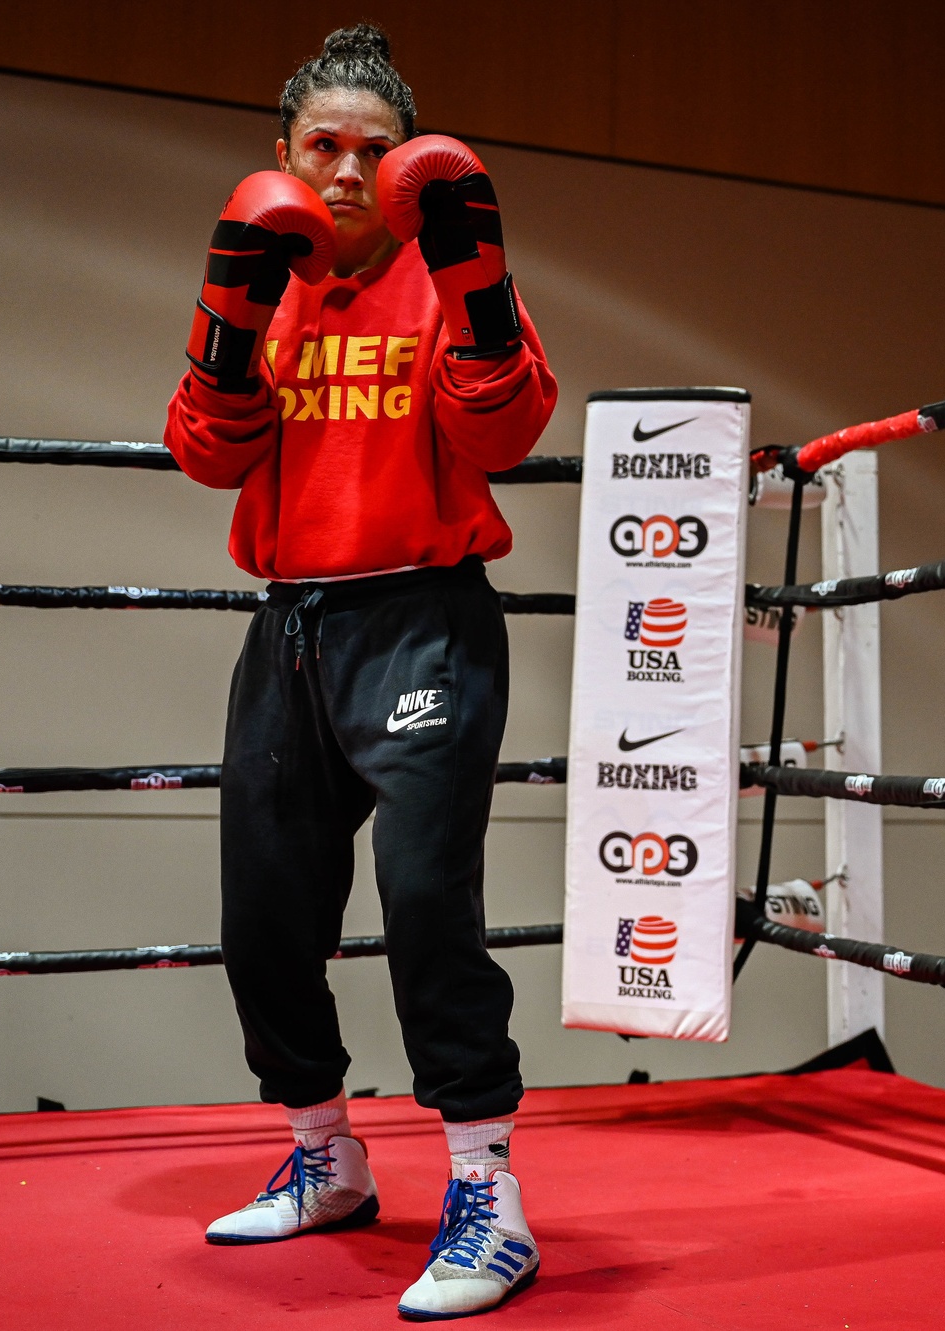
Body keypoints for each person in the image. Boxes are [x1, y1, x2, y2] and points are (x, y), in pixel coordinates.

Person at [162, 24, 555, 1320]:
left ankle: (488, 1196)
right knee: (263, 918)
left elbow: (504, 426)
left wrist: (482, 296)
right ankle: (328, 1157)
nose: (342, 173)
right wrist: (225, 333)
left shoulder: (446, 269)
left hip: (423, 619)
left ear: (405, 170)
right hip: (290, 627)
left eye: (369, 152)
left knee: (427, 901)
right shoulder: (262, 277)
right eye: (321, 148)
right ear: (283, 155)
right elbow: (209, 457)